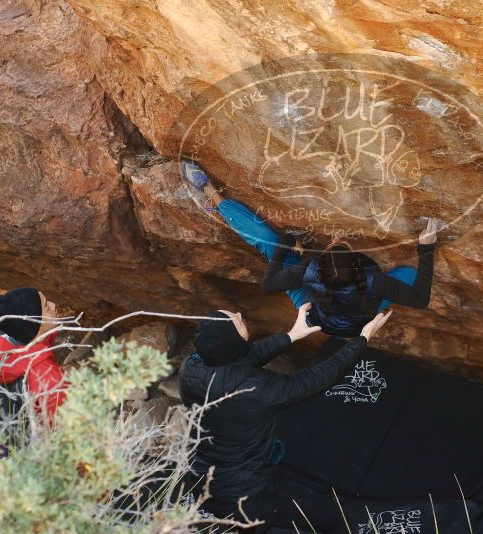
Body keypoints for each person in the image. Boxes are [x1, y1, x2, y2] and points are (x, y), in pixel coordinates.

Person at [179, 301, 392, 528]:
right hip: (245, 484)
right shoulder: (256, 389)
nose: (239, 314)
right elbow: (315, 379)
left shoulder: (192, 367)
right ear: (233, 341)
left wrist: (291, 335)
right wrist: (362, 339)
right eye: (235, 319)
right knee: (256, 520)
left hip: (201, 468)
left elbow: (242, 359)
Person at [180, 159, 437, 337]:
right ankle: (211, 193)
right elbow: (420, 299)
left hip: (315, 312)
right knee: (410, 276)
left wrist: (282, 247)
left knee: (266, 240)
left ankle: (210, 191)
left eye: (336, 243)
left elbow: (269, 285)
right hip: (351, 317)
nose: (336, 237)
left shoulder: (308, 270)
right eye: (341, 243)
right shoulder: (374, 281)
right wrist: (426, 249)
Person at [0, 288, 67, 423]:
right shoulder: (47, 377)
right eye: (46, 306)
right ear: (34, 323)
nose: (53, 305)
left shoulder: (18, 349)